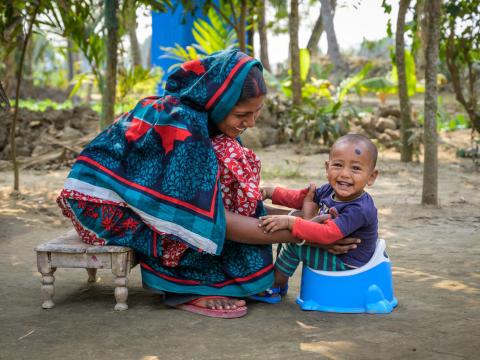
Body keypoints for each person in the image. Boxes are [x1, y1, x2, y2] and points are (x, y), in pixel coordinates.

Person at [57, 49, 358, 318]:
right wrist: (304, 233)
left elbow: (229, 203)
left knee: (240, 218)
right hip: (101, 201)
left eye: (257, 112)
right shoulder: (183, 129)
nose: (251, 123)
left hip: (137, 194)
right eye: (243, 114)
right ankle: (186, 288)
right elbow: (209, 219)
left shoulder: (211, 120)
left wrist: (296, 221)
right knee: (193, 230)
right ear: (218, 101)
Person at [259, 134, 379, 295]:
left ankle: (275, 285)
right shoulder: (329, 190)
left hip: (347, 264)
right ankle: (278, 282)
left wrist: (291, 222)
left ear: (371, 177)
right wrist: (271, 192)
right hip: (336, 255)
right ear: (327, 167)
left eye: (355, 168)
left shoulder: (360, 208)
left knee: (294, 245)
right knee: (290, 234)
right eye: (338, 165)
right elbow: (301, 197)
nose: (345, 174)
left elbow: (328, 234)